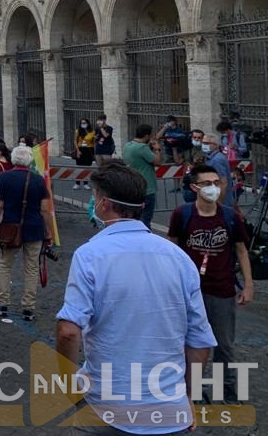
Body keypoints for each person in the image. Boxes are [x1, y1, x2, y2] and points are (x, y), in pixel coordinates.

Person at [56, 160, 217, 434]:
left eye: (94, 197)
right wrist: (187, 397)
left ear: (103, 203)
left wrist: (69, 386)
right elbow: (199, 342)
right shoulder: (179, 259)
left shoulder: (90, 255)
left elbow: (68, 332)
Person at [168, 164, 254, 404]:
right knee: (187, 342)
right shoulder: (182, 214)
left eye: (217, 182)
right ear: (195, 187)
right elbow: (171, 247)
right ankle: (190, 390)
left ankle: (226, 389)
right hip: (188, 291)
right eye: (207, 183)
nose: (213, 188)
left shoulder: (230, 216)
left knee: (224, 345)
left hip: (222, 289)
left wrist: (248, 285)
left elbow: (241, 250)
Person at [0, 145, 55, 321]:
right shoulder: (37, 180)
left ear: (14, 159)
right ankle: (28, 307)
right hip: (34, 228)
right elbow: (45, 210)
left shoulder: (4, 177)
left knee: (5, 265)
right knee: (31, 268)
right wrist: (48, 232)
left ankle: (2, 302)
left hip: (10, 228)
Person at [122, 124, 162, 229]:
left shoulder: (128, 145)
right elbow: (157, 162)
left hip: (133, 185)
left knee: (134, 217)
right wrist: (157, 149)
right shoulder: (142, 148)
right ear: (147, 135)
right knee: (145, 219)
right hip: (146, 187)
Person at [200, 134, 233, 206]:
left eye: (207, 143)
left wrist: (219, 203)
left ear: (216, 145)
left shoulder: (217, 160)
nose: (203, 145)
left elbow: (223, 183)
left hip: (220, 201)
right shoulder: (210, 158)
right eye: (203, 142)